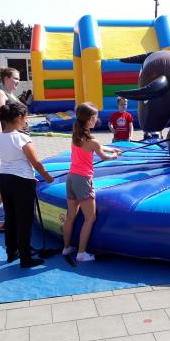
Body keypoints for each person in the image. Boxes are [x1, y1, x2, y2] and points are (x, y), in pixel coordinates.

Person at [0, 101, 54, 268]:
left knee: (10, 217)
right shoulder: (22, 137)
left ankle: (11, 252)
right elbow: (36, 163)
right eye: (26, 117)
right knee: (24, 220)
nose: (27, 120)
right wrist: (47, 177)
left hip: (4, 178)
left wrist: (28, 175)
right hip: (21, 182)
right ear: (19, 117)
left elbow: (12, 160)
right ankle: (26, 258)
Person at [61, 103, 122, 262]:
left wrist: (112, 149)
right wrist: (114, 156)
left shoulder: (77, 135)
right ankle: (81, 253)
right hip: (83, 180)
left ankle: (66, 248)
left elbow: (99, 147)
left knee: (71, 216)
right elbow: (103, 156)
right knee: (90, 217)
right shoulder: (91, 140)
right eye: (94, 117)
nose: (96, 119)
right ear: (88, 120)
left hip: (71, 178)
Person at [0, 67, 24, 222]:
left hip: (19, 137)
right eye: (15, 78)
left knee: (14, 170)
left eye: (18, 78)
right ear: (6, 78)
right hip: (9, 139)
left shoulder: (12, 96)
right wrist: (0, 139)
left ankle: (1, 201)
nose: (18, 81)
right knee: (10, 171)